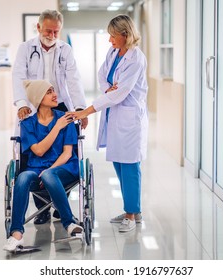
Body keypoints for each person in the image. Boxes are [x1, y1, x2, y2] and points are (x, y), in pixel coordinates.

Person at [66, 14, 148, 233]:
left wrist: (86, 111)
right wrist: (107, 88)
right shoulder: (114, 52)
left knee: (130, 166)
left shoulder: (136, 58)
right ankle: (132, 209)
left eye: (113, 36)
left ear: (125, 35)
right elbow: (103, 76)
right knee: (119, 164)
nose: (109, 40)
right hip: (116, 115)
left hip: (130, 118)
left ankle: (132, 215)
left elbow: (120, 93)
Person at [12, 9, 88, 224]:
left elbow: (74, 79)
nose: (52, 35)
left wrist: (80, 108)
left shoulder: (66, 50)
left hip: (61, 104)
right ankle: (42, 208)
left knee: (65, 150)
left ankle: (58, 200)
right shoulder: (26, 49)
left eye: (56, 31)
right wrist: (21, 104)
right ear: (38, 28)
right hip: (33, 104)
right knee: (34, 155)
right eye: (48, 31)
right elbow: (18, 75)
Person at [3, 80, 83, 252]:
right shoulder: (27, 123)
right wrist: (57, 128)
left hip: (64, 167)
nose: (55, 94)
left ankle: (68, 222)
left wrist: (49, 169)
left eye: (54, 90)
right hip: (35, 168)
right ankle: (16, 233)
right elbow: (38, 151)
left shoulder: (65, 118)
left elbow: (67, 153)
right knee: (23, 177)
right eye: (49, 92)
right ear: (38, 98)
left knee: (48, 175)